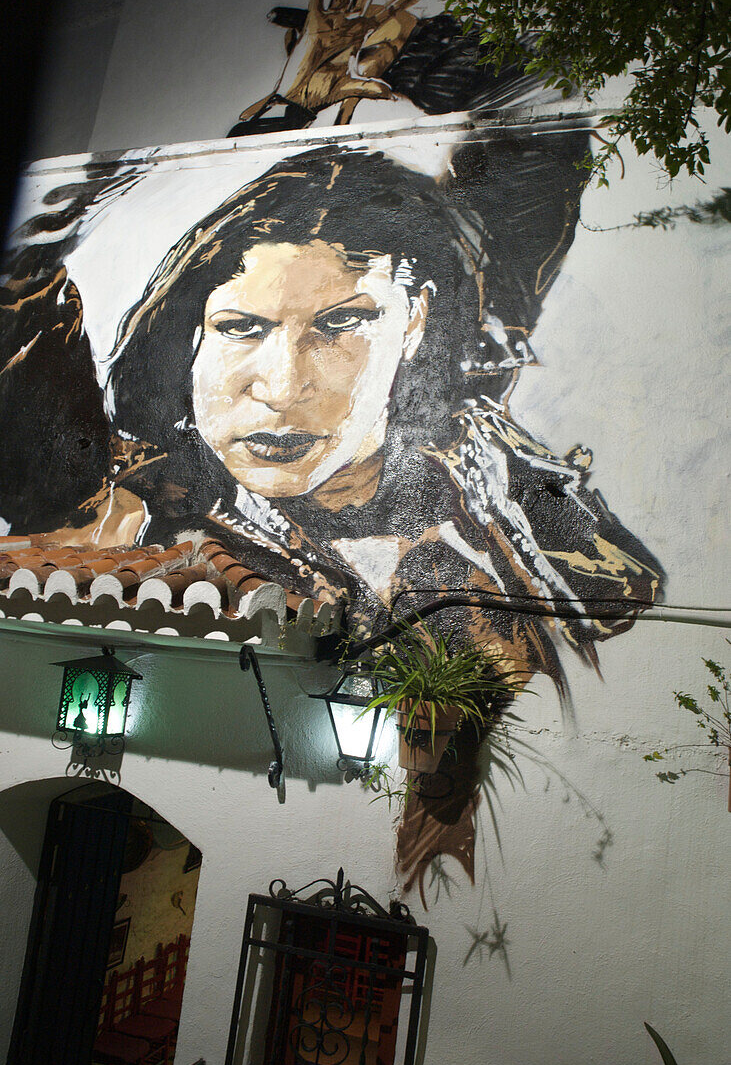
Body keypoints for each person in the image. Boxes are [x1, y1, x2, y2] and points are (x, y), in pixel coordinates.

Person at [87, 143, 664, 697]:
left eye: (341, 324)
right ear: (187, 341)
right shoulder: (128, 521)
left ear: (414, 322)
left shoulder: (508, 495)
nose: (284, 389)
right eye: (240, 328)